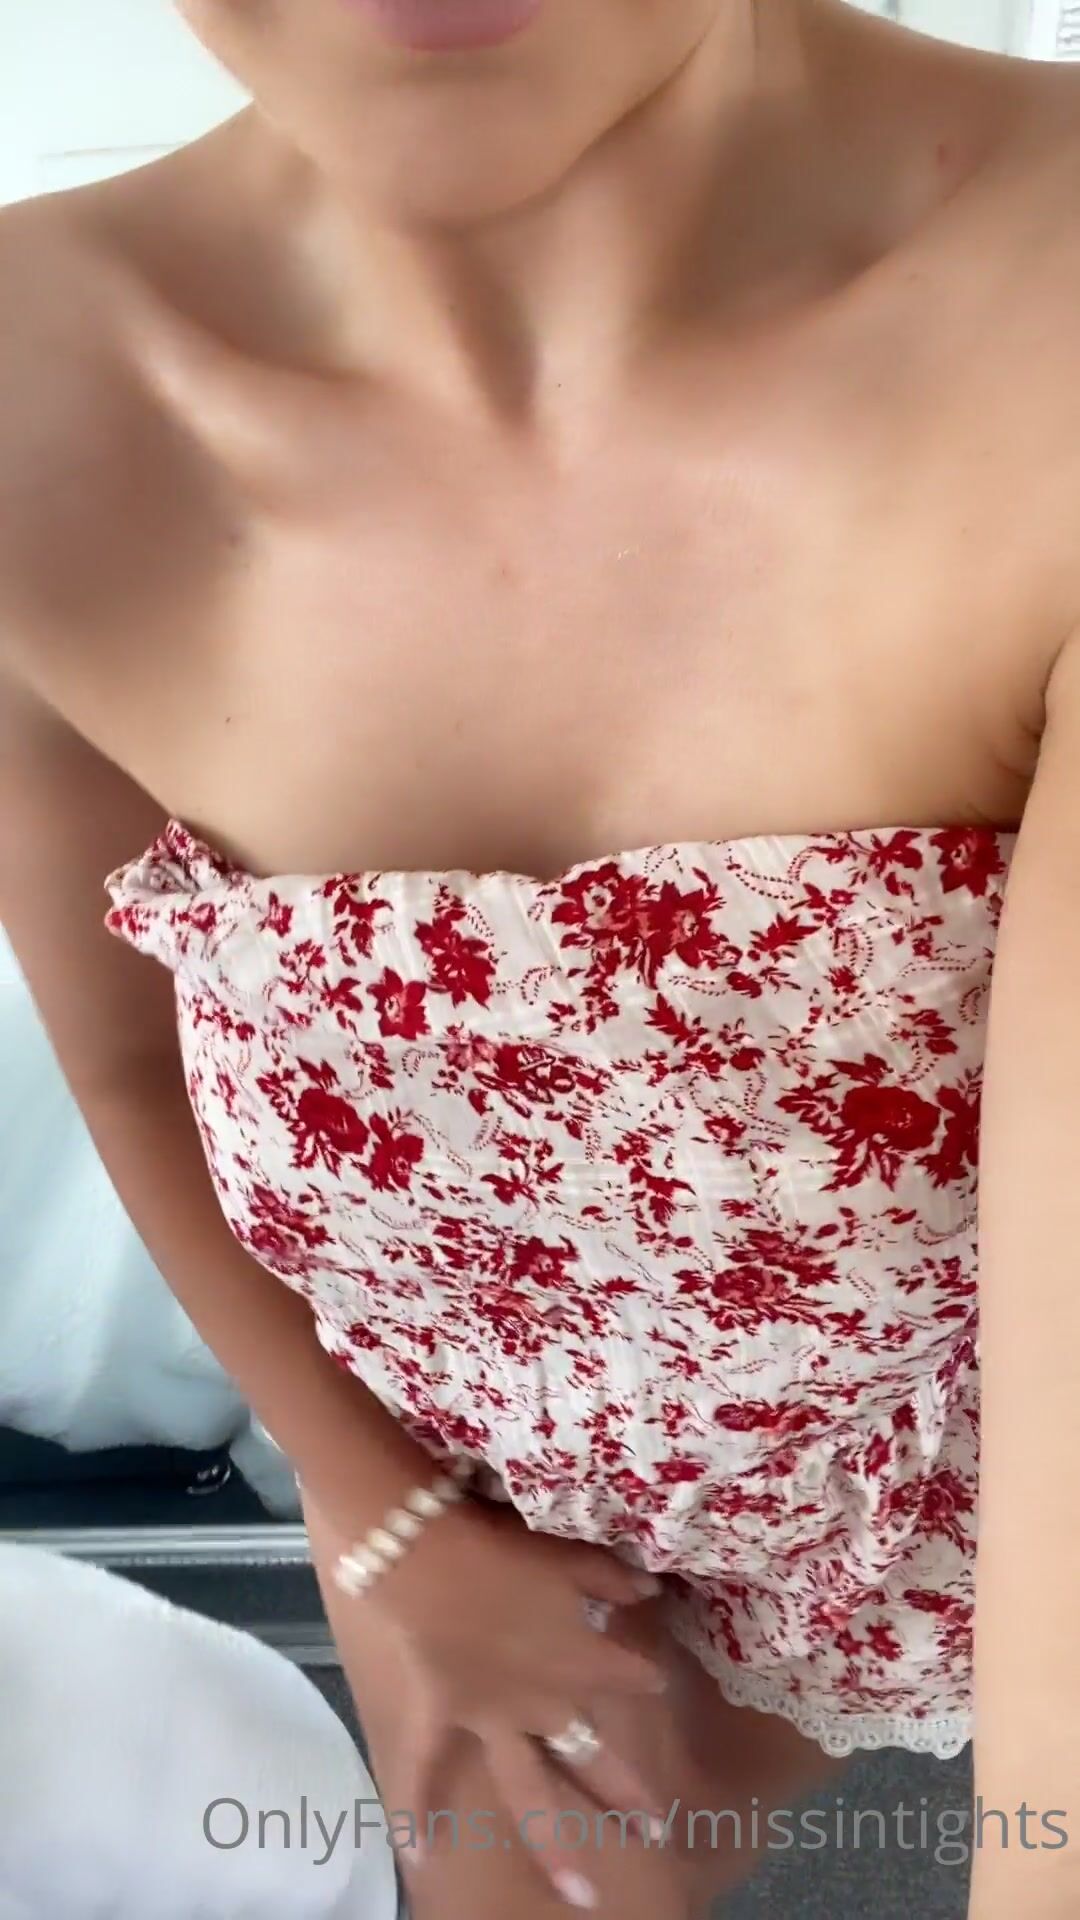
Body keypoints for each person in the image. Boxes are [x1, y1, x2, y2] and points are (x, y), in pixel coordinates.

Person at [1, 1, 1078, 1914]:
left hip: (967, 1466)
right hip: (493, 1494)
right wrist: (386, 1515)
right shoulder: (37, 393)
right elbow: (131, 1062)